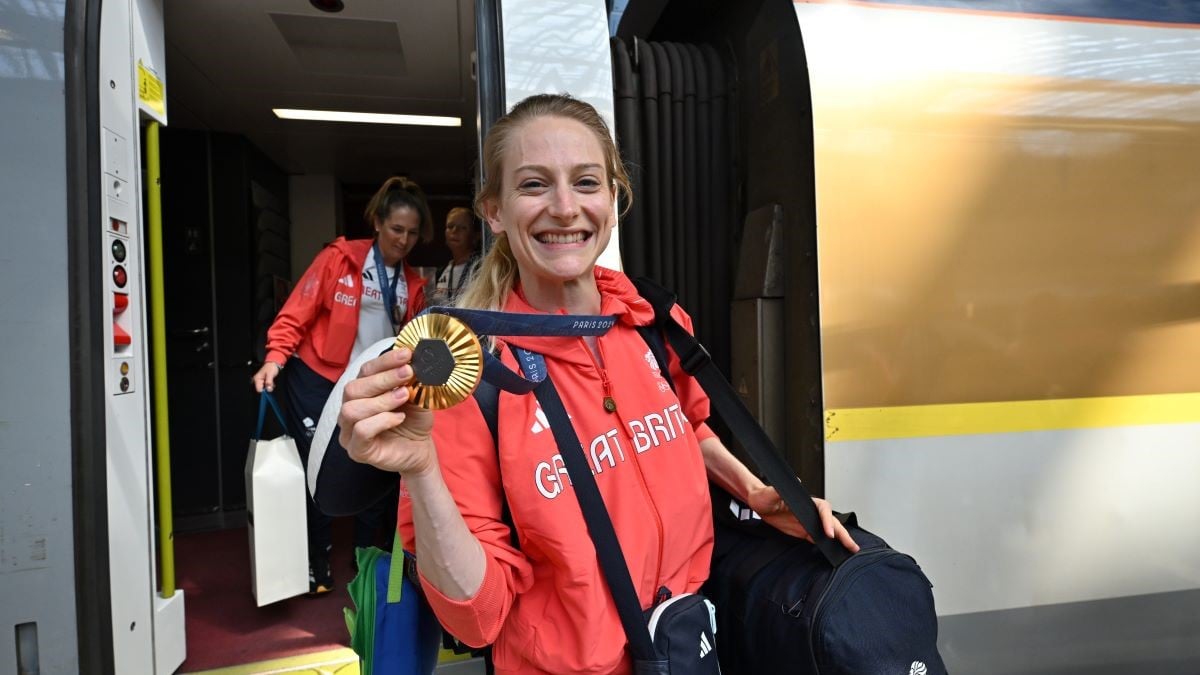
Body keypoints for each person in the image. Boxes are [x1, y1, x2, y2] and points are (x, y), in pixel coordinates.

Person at [335, 95, 858, 673]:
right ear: (495, 211)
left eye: (586, 182)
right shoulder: (473, 383)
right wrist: (422, 470)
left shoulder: (653, 321)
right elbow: (474, 619)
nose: (565, 208)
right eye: (534, 185)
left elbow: (688, 423)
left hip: (689, 644)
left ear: (613, 198)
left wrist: (752, 490)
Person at [252, 175, 433, 595]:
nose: (403, 240)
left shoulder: (413, 284)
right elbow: (298, 310)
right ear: (377, 223)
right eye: (395, 230)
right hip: (319, 380)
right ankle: (316, 565)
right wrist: (275, 358)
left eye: (410, 233)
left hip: (373, 386)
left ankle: (365, 563)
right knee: (319, 474)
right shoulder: (341, 259)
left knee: (372, 470)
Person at [429, 206, 483, 306]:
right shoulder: (440, 272)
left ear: (476, 236)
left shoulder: (481, 269)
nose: (454, 231)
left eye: (462, 227)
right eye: (450, 226)